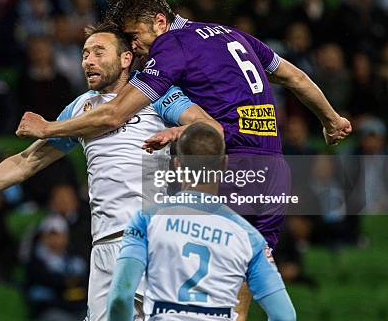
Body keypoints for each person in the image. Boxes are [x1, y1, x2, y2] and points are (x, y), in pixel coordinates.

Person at [15, 0, 350, 319]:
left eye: (135, 35)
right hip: (272, 171)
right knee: (245, 272)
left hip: (228, 165)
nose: (133, 45)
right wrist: (331, 119)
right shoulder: (234, 35)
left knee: (191, 269)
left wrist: (48, 128)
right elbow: (296, 77)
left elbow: (115, 113)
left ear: (160, 22)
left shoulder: (171, 48)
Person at [0, 22, 218, 321]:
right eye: (85, 54)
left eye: (99, 52)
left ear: (126, 59)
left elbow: (209, 129)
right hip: (104, 243)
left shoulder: (156, 92)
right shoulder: (80, 108)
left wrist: (177, 132)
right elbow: (25, 162)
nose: (88, 60)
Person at [107, 123, 296, 321]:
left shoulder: (146, 220)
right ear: (224, 164)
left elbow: (121, 296)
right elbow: (285, 315)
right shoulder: (249, 237)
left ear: (178, 165)